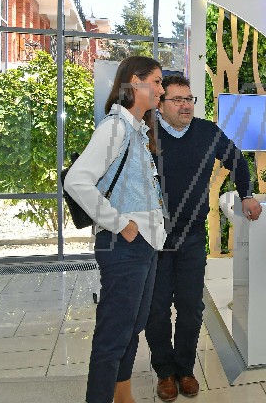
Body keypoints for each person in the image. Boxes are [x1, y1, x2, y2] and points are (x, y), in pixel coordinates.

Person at [145, 75, 262, 401]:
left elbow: (237, 160)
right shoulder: (145, 133)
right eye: (177, 100)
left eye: (189, 99)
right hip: (153, 237)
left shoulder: (207, 132)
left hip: (192, 235)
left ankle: (185, 369)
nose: (185, 106)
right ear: (160, 104)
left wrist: (246, 194)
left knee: (191, 307)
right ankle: (164, 372)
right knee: (156, 309)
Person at [64, 56, 167, 403]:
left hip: (144, 243)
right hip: (125, 244)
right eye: (157, 81)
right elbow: (77, 181)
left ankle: (122, 396)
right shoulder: (115, 128)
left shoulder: (136, 130)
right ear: (135, 82)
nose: (161, 89)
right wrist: (121, 224)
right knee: (113, 334)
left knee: (132, 326)